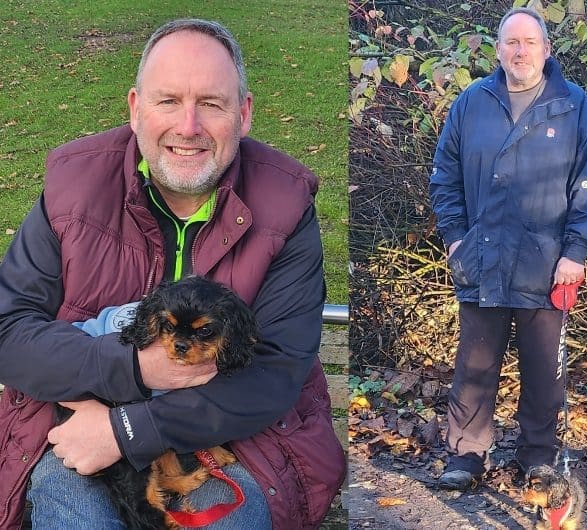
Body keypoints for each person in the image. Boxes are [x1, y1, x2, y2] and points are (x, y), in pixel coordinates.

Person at [0, 18, 345, 529]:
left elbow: (275, 373)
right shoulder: (72, 185)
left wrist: (128, 430)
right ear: (136, 108)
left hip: (241, 438)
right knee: (76, 511)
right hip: (77, 425)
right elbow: (10, 334)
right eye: (168, 101)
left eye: (211, 103)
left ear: (244, 114)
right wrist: (135, 370)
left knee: (216, 520)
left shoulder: (287, 203)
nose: (188, 127)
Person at [429, 7, 587, 490]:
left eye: (530, 42)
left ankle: (538, 456)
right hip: (481, 261)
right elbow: (444, 176)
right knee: (474, 366)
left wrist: (576, 252)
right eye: (512, 42)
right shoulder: (472, 102)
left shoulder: (574, 107)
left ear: (547, 50)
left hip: (548, 265)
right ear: (498, 50)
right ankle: (466, 455)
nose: (520, 51)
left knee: (543, 370)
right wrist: (455, 239)